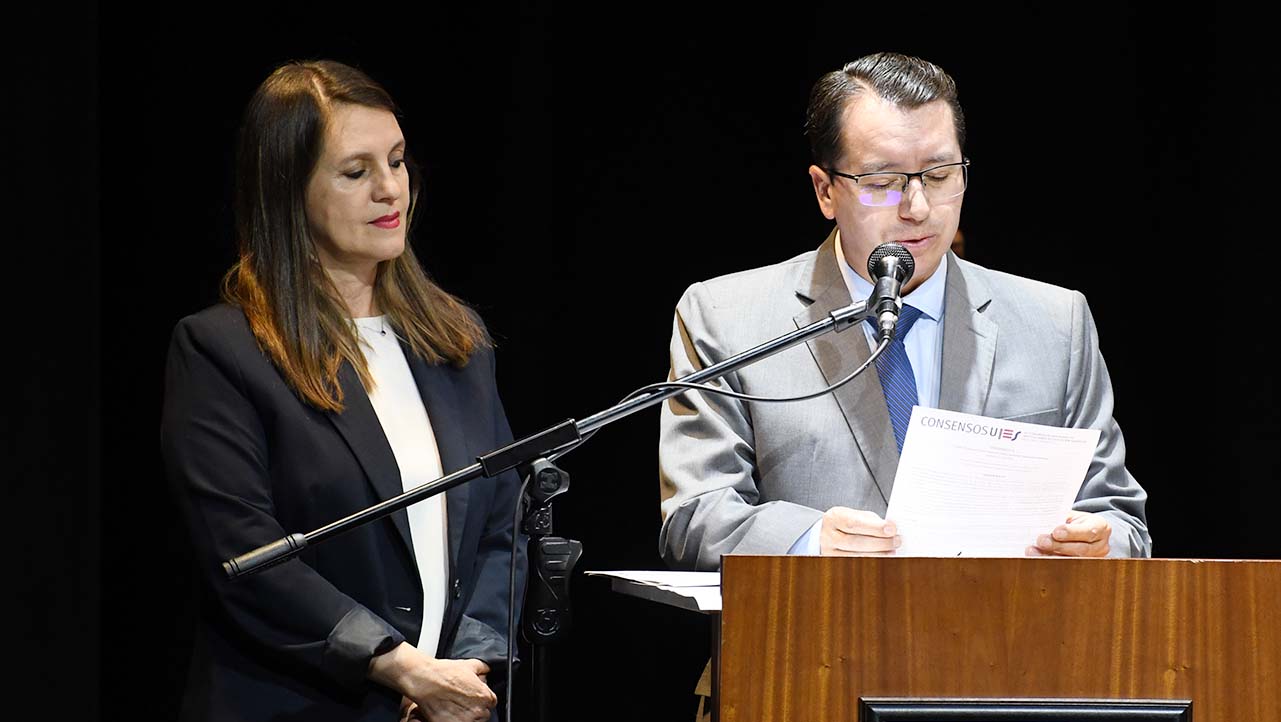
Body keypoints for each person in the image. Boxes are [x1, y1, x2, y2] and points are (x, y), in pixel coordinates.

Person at [658, 52, 1151, 571]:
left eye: (939, 176)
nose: (917, 208)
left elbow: (1118, 517)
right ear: (826, 191)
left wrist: (1098, 542)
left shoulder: (1055, 323)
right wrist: (810, 540)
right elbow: (695, 515)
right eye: (882, 182)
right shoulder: (727, 317)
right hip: (808, 643)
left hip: (1001, 643)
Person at [161, 60, 525, 722]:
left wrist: (463, 666)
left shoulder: (456, 340)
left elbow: (503, 525)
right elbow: (244, 554)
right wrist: (397, 664)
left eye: (397, 161)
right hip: (298, 704)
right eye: (356, 172)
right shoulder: (223, 350)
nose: (391, 190)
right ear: (287, 190)